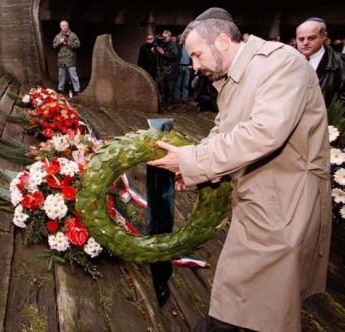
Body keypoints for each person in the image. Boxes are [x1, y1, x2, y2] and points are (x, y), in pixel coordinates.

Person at [148, 7, 331, 332]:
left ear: (221, 40)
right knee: (244, 303)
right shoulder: (235, 79)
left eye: (198, 54)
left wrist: (191, 161)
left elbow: (264, 133)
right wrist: (194, 167)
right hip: (258, 200)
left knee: (255, 308)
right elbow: (225, 132)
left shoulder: (281, 64)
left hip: (284, 205)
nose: (196, 64)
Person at [296, 17, 345, 106]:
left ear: (324, 36)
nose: (305, 43)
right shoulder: (286, 61)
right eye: (301, 39)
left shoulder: (342, 62)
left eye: (311, 38)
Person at [53, 20, 81, 96]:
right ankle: (60, 90)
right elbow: (54, 46)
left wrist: (68, 43)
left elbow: (78, 45)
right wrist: (60, 42)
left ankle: (77, 90)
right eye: (62, 26)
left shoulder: (73, 35)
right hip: (61, 60)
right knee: (61, 76)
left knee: (73, 75)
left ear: (68, 26)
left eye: (65, 25)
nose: (64, 27)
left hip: (70, 59)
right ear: (60, 26)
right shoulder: (57, 36)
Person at [154, 30, 179, 110]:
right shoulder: (163, 44)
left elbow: (174, 55)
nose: (164, 38)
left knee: (170, 89)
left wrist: (163, 53)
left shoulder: (173, 45)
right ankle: (164, 105)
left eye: (166, 37)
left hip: (171, 71)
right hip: (164, 70)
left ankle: (169, 105)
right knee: (163, 88)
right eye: (163, 36)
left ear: (170, 37)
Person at [175, 34, 192, 102]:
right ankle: (177, 98)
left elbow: (192, 55)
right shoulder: (178, 46)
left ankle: (184, 98)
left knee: (186, 83)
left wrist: (191, 64)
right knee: (178, 84)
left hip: (187, 66)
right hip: (179, 66)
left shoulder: (189, 46)